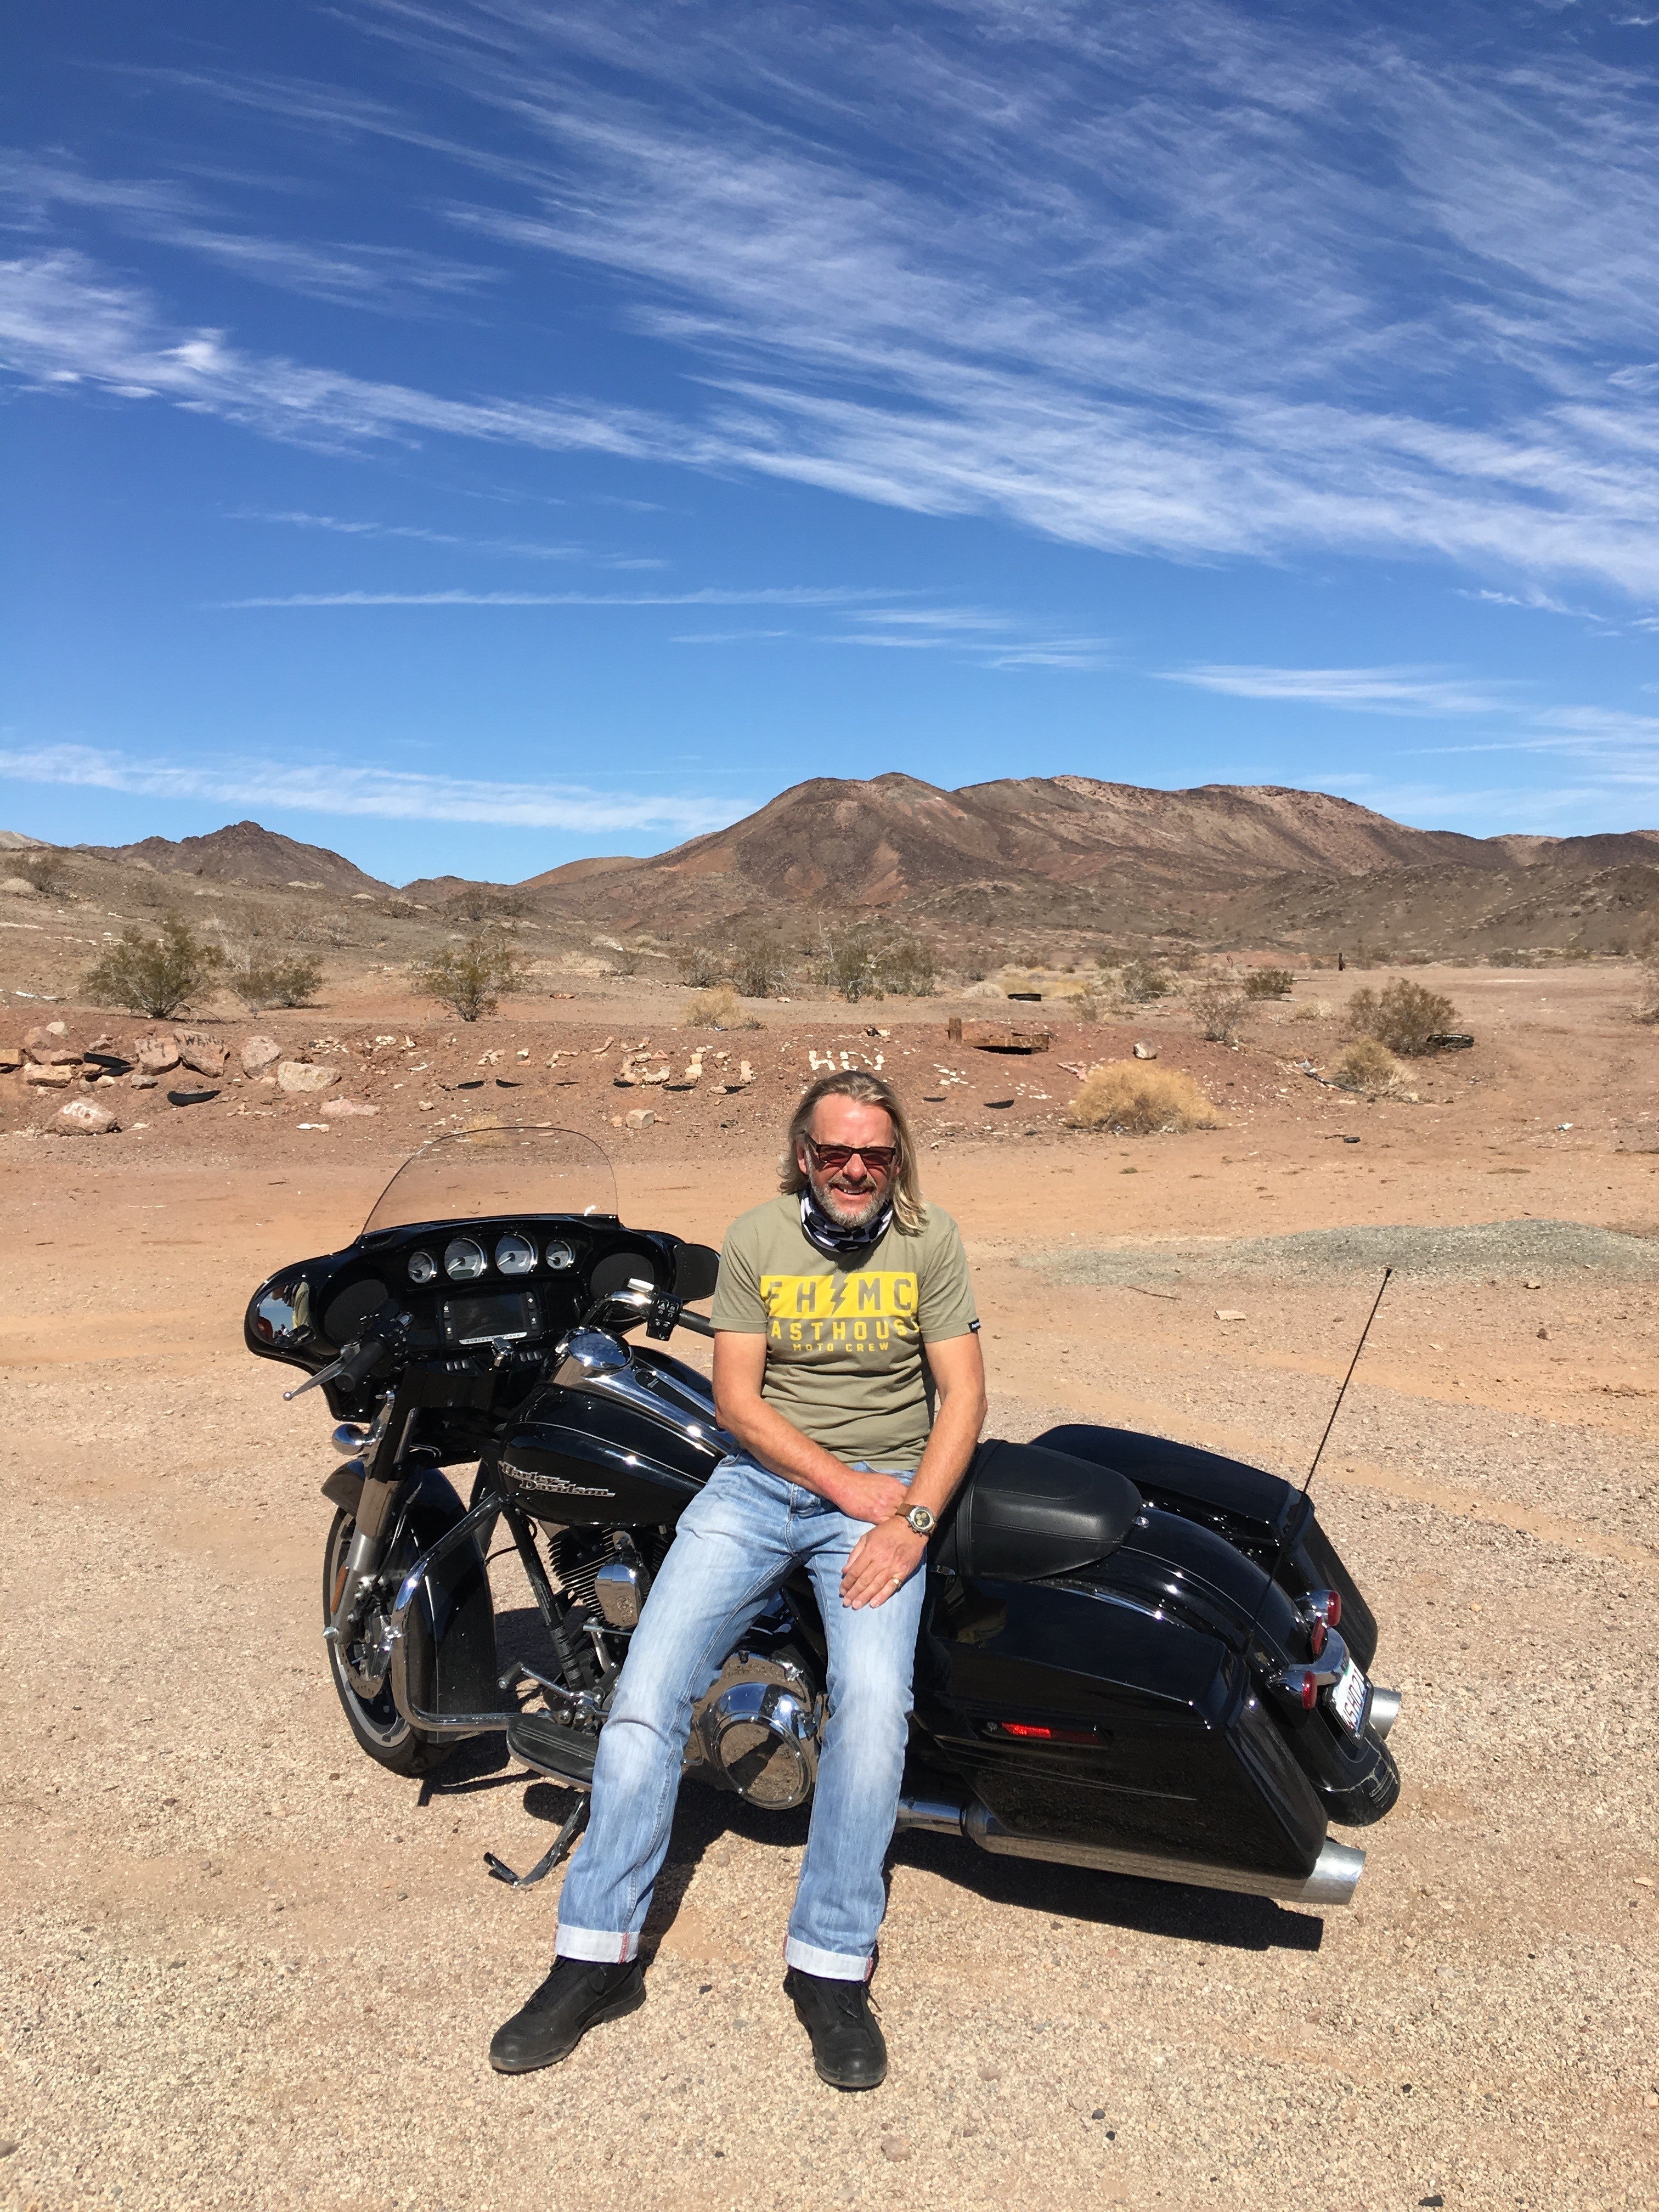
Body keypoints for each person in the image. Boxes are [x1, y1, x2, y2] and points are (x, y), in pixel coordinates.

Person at [489, 1069, 986, 2089]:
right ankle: (596, 1956)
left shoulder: (929, 1242)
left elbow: (964, 1398)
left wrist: (910, 1521)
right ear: (804, 1154)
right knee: (646, 1699)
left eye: (876, 1156)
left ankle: (830, 1967)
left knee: (876, 1711)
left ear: (899, 1163)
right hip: (759, 1488)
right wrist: (837, 1486)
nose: (856, 1170)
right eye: (837, 1152)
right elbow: (740, 1405)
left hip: (887, 1498)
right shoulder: (757, 1238)